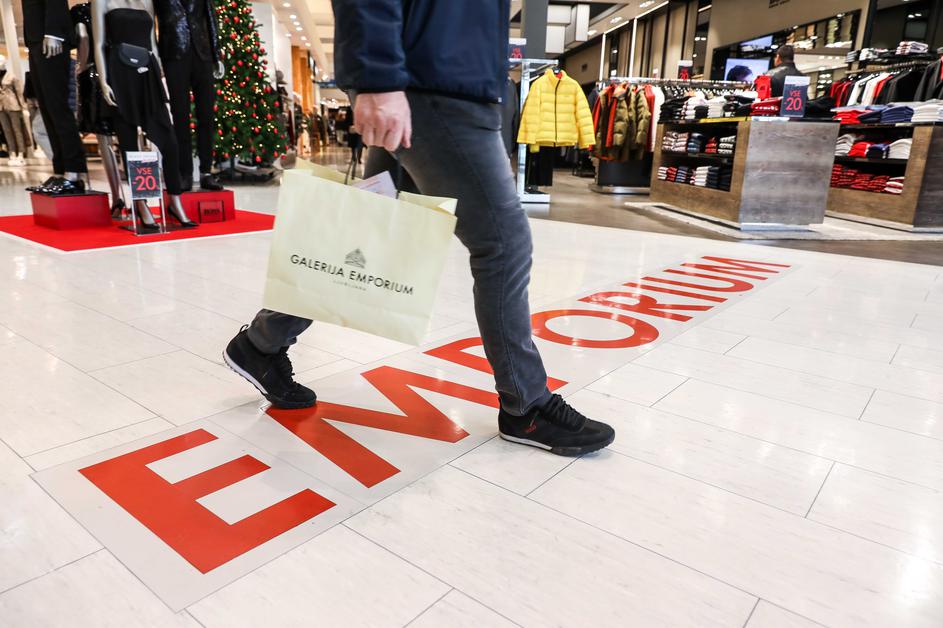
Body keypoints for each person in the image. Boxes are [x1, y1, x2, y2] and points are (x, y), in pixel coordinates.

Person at [223, 0, 615, 457]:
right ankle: (527, 406)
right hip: (434, 84)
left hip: (440, 76)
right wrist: (378, 80)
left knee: (370, 234)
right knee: (503, 243)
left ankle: (261, 344)